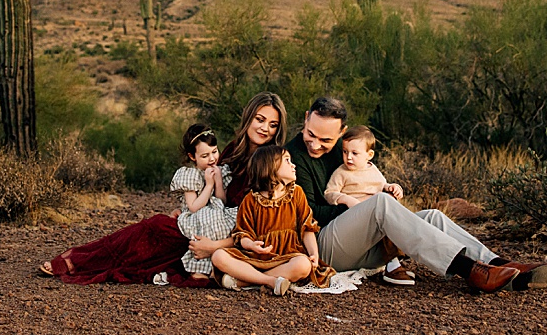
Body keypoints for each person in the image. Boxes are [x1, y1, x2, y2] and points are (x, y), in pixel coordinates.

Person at [288, 97, 547, 293]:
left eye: (326, 140)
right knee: (380, 206)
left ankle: (500, 266)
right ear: (305, 119)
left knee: (432, 215)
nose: (315, 144)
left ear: (342, 132)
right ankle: (470, 270)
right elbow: (306, 213)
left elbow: (368, 180)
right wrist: (361, 209)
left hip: (360, 244)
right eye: (311, 134)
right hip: (322, 246)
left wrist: (378, 201)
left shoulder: (346, 148)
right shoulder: (293, 157)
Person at [40, 92, 288, 286]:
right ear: (249, 119)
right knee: (150, 228)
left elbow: (259, 224)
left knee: (149, 240)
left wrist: (213, 247)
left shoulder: (273, 164)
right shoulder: (234, 149)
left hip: (225, 240)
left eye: (273, 124)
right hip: (203, 223)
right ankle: (76, 260)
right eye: (260, 119)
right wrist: (190, 211)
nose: (265, 128)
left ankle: (78, 263)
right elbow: (208, 187)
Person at [211, 145, 334, 295]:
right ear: (270, 166)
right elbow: (242, 234)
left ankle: (244, 281)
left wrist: (314, 253)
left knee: (303, 265)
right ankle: (269, 281)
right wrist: (251, 245)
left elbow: (307, 228)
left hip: (287, 255)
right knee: (218, 256)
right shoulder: (251, 199)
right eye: (287, 161)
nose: (293, 165)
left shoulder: (297, 193)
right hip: (257, 257)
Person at [324, 125, 411, 286]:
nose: (348, 157)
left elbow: (382, 185)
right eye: (345, 152)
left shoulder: (373, 170)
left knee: (389, 207)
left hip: (376, 217)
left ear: (369, 155)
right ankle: (393, 264)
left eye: (355, 153)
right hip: (355, 218)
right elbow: (329, 193)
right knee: (383, 208)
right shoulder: (341, 172)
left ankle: (396, 260)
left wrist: (392, 187)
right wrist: (346, 199)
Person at [170, 123, 232, 279]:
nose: (212, 159)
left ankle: (218, 267)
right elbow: (194, 207)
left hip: (217, 212)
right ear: (193, 157)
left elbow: (222, 201)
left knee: (223, 224)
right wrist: (208, 184)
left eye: (214, 152)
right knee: (206, 223)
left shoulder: (221, 170)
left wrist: (217, 182)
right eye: (205, 156)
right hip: (197, 214)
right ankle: (199, 269)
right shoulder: (190, 174)